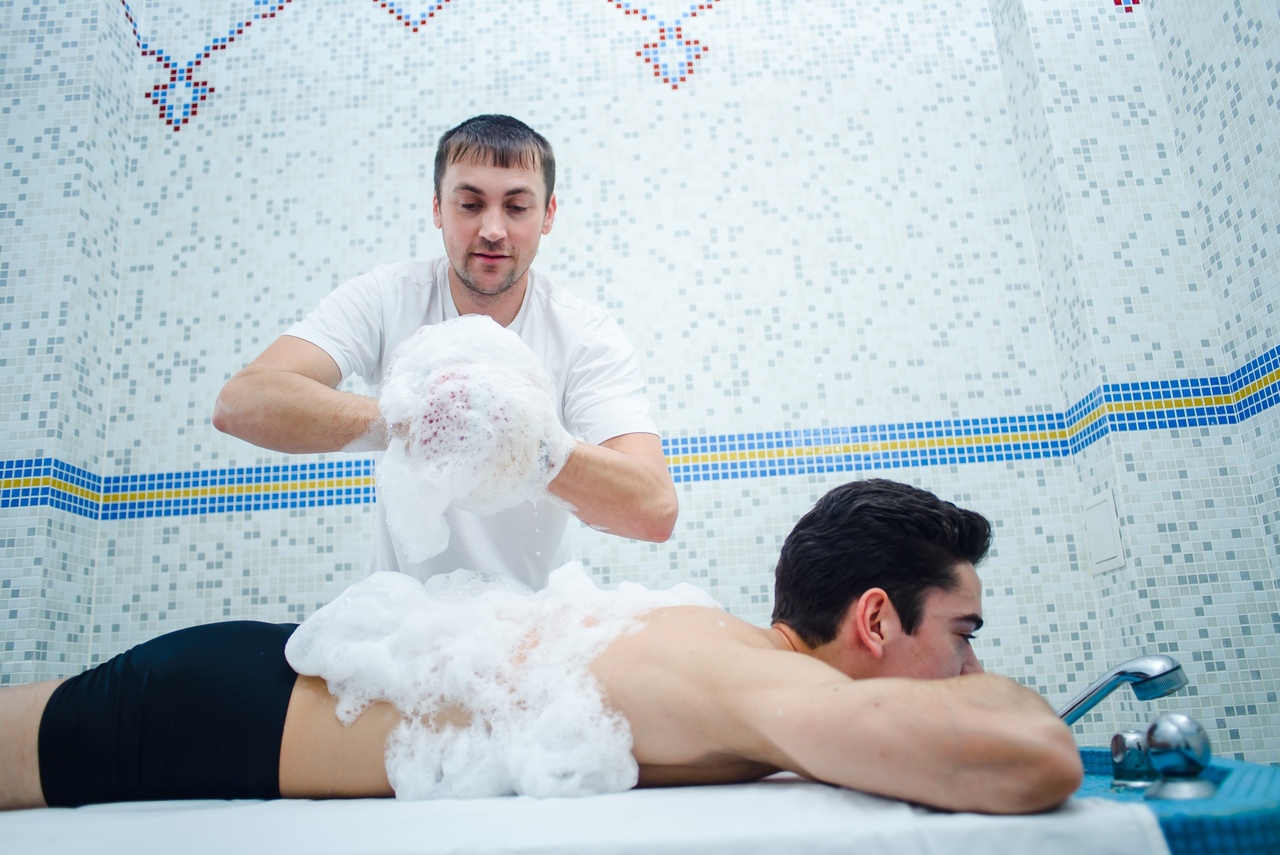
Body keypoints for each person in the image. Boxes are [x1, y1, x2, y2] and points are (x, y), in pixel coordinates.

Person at [0, 479, 1083, 814]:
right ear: (876, 619)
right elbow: (1031, 757)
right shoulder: (752, 682)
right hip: (224, 714)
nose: (972, 672)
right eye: (964, 637)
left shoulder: (730, 653)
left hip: (246, 687)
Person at [211, 114, 678, 589]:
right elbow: (241, 401)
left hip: (533, 621)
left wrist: (525, 443)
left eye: (517, 207)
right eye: (470, 204)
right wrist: (414, 420)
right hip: (399, 618)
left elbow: (655, 509)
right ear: (438, 207)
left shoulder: (583, 334)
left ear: (548, 214)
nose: (493, 229)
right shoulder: (387, 297)